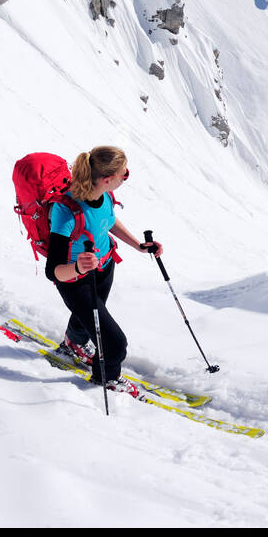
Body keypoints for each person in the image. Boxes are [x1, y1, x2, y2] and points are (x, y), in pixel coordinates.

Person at [45, 146, 163, 390]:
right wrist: (78, 267)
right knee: (115, 343)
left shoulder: (105, 195)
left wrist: (139, 246)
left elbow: (108, 220)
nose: (126, 177)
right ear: (108, 179)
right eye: (125, 174)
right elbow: (53, 271)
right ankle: (106, 379)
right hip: (76, 281)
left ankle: (73, 344)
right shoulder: (65, 211)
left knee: (88, 316)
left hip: (104, 268)